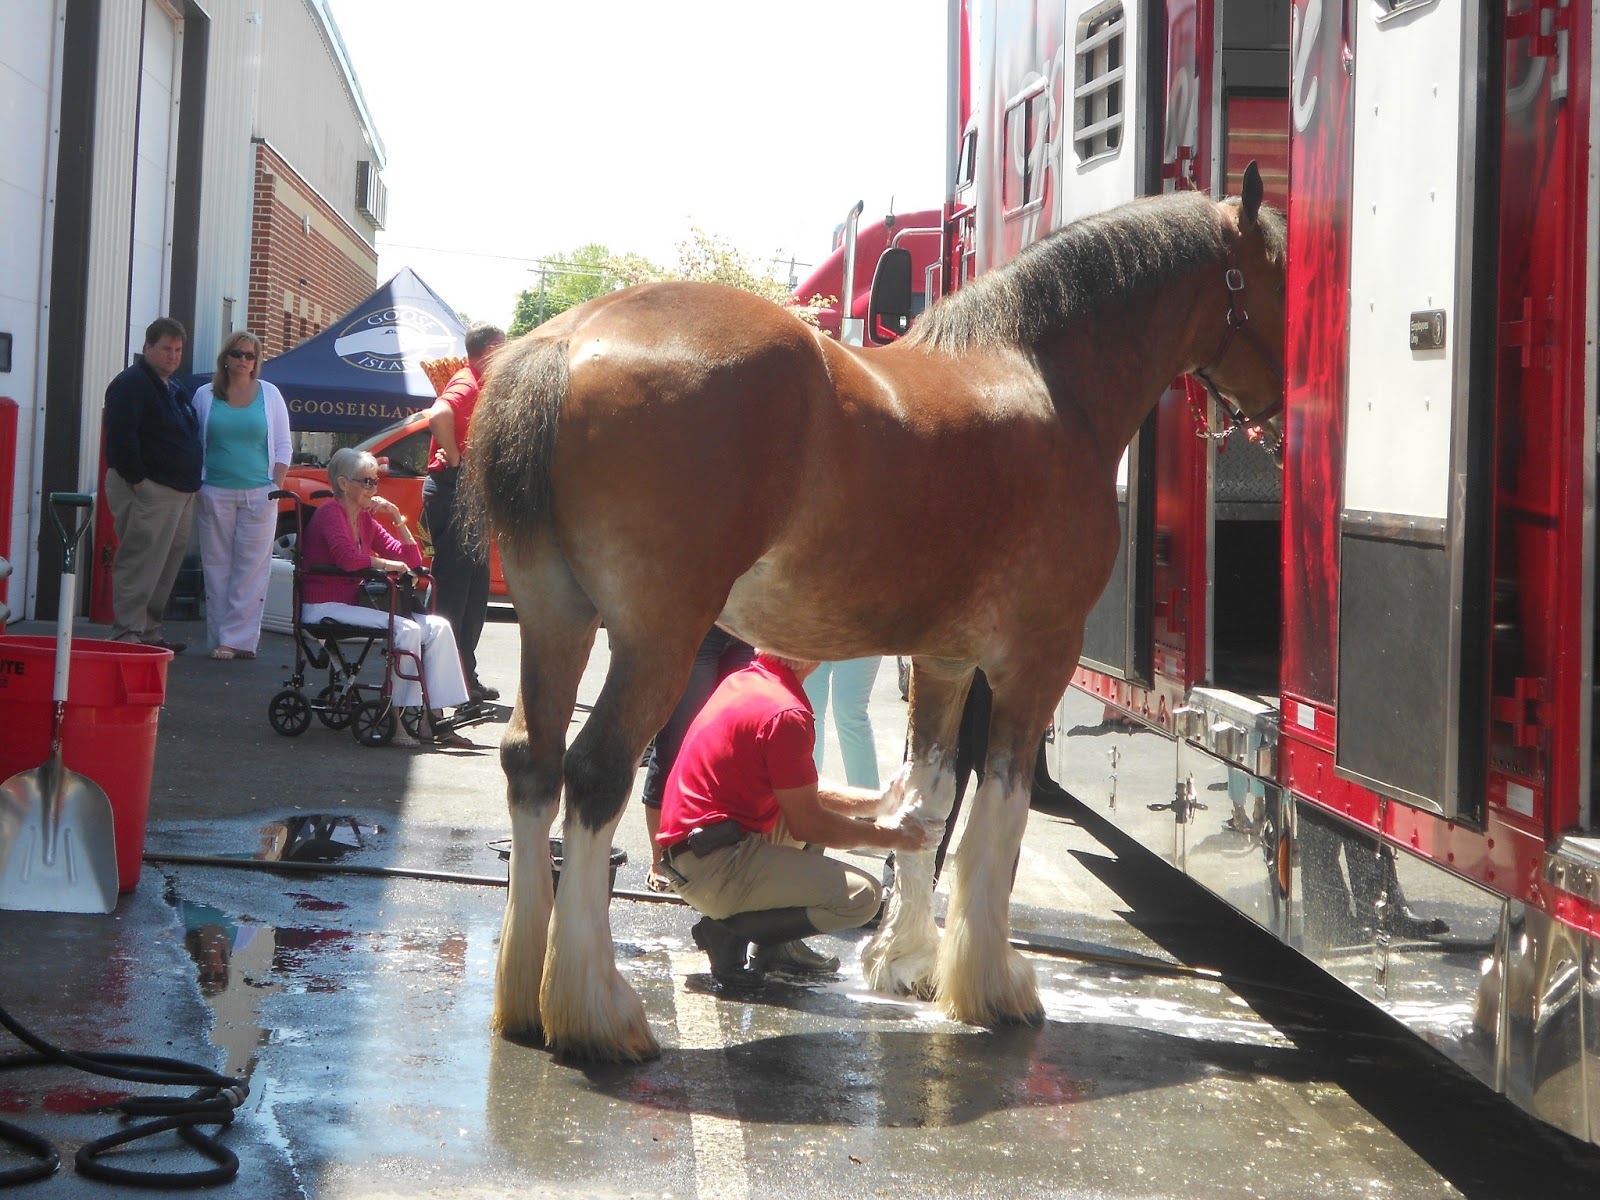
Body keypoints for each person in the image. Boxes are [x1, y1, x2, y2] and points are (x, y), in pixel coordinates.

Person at [658, 651, 939, 988]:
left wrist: (878, 803)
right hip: (714, 866)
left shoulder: (746, 680)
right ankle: (727, 933)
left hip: (696, 854)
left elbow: (801, 790)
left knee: (811, 814)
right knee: (862, 898)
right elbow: (809, 824)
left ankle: (773, 948)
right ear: (808, 657)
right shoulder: (787, 713)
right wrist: (892, 837)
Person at [301, 447, 471, 746]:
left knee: (439, 627)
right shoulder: (331, 512)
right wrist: (386, 565)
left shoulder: (365, 519)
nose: (373, 487)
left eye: (375, 481)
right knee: (406, 629)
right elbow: (349, 561)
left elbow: (412, 558)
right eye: (366, 481)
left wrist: (396, 517)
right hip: (324, 605)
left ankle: (436, 718)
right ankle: (397, 716)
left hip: (353, 604)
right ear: (343, 484)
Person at [102, 316, 203, 651]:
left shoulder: (174, 388)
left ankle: (148, 632)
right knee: (140, 562)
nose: (172, 356)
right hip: (149, 489)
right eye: (165, 349)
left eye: (177, 350)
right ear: (147, 347)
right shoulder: (132, 383)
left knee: (165, 566)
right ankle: (127, 635)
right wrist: (140, 481)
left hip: (180, 492)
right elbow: (121, 437)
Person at [192, 330, 291, 660]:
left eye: (251, 356)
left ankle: (240, 640)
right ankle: (220, 638)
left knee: (252, 569)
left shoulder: (270, 394)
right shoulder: (205, 395)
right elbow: (194, 444)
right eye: (238, 354)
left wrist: (274, 486)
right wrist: (199, 484)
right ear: (226, 357)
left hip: (259, 492)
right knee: (217, 566)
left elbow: (282, 446)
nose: (244, 361)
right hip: (215, 490)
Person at [422, 322, 506, 705]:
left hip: (468, 495)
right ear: (489, 348)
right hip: (452, 490)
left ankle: (463, 678)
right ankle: (437, 682)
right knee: (455, 595)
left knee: (474, 594)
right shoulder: (468, 380)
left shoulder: (480, 382)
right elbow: (438, 413)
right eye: (503, 348)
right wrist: (455, 458)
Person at [641, 627, 755, 893]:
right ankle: (660, 859)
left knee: (734, 746)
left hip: (746, 627)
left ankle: (723, 857)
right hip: (699, 626)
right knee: (675, 744)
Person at [803, 657, 884, 788]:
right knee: (807, 711)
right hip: (814, 638)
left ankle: (867, 802)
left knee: (849, 713)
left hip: (859, 640)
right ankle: (806, 793)